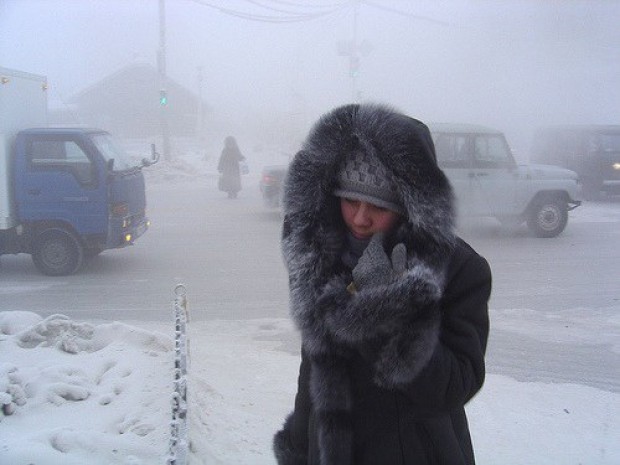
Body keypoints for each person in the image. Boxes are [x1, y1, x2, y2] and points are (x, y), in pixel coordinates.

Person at [273, 103, 492, 465]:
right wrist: (298, 450)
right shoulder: (323, 261)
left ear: (408, 205)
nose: (360, 218)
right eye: (350, 200)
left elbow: (456, 385)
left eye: (378, 205)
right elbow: (314, 373)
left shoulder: (457, 269)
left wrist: (384, 312)